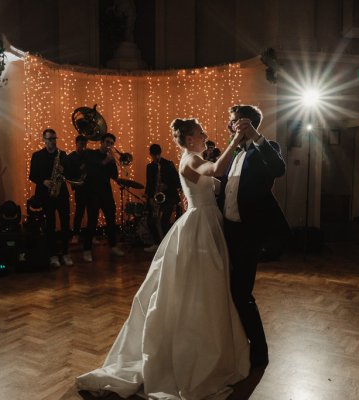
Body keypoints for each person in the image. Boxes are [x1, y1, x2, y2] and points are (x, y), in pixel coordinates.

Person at [76, 118, 249, 399]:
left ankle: (208, 341)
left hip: (207, 221)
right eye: (201, 132)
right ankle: (196, 349)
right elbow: (217, 169)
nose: (206, 135)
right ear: (190, 139)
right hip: (200, 226)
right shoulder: (191, 159)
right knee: (201, 286)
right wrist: (236, 140)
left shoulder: (192, 158)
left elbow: (215, 184)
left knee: (207, 285)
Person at [219, 104, 287, 369]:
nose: (231, 126)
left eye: (235, 121)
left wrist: (257, 136)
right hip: (227, 232)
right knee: (228, 290)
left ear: (249, 123)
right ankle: (236, 344)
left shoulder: (265, 148)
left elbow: (279, 169)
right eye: (231, 121)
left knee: (242, 293)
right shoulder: (234, 153)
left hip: (248, 234)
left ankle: (260, 352)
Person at [29, 128, 73, 268]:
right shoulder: (37, 156)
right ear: (44, 140)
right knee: (50, 226)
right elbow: (32, 175)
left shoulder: (63, 155)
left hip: (61, 194)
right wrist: (44, 181)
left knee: (66, 224)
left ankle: (65, 253)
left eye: (54, 138)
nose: (52, 141)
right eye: (49, 139)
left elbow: (70, 174)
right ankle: (53, 255)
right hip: (46, 195)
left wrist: (64, 170)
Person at [81, 133, 125, 262]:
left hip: (106, 192)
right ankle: (87, 250)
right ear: (101, 142)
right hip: (92, 193)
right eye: (107, 142)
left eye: (111, 143)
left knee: (111, 220)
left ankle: (113, 246)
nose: (109, 145)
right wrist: (106, 161)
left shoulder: (110, 158)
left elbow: (114, 176)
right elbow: (92, 170)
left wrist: (112, 162)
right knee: (92, 222)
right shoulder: (91, 154)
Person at [143, 143, 181, 252]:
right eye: (154, 155)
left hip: (169, 197)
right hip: (155, 197)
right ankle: (156, 243)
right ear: (150, 154)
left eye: (158, 155)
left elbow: (178, 182)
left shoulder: (169, 164)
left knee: (165, 221)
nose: (156, 157)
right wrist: (149, 198)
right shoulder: (149, 167)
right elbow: (149, 184)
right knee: (151, 221)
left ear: (160, 153)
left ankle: (167, 245)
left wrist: (167, 185)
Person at [68, 135, 88, 244]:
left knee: (91, 212)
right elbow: (69, 174)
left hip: (90, 187)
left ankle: (91, 235)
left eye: (85, 144)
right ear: (76, 143)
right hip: (80, 188)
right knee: (79, 212)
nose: (83, 147)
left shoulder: (88, 155)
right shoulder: (71, 157)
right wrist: (79, 170)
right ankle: (75, 234)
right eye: (81, 144)